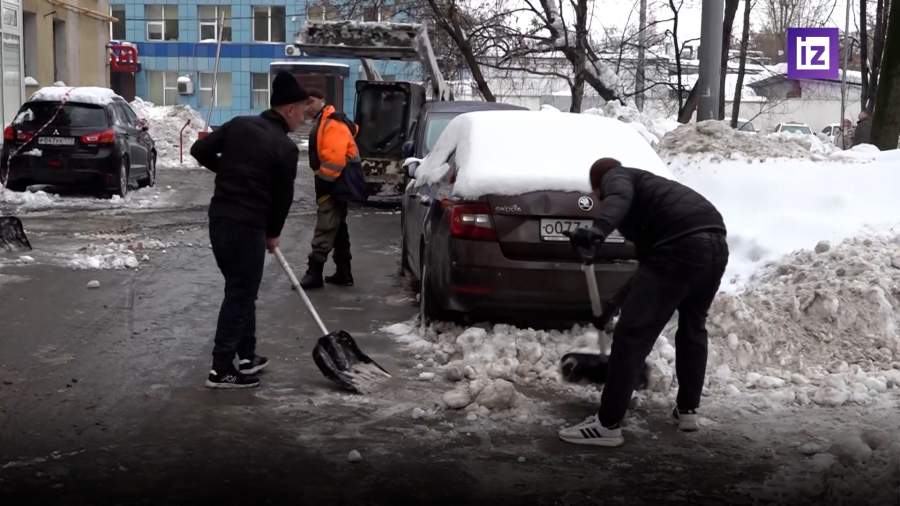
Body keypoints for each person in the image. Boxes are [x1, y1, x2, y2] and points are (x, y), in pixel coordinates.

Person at [557, 158, 729, 447]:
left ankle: (607, 425)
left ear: (598, 186)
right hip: (714, 245)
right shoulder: (652, 201)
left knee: (631, 337)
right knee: (693, 326)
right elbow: (649, 271)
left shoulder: (617, 176)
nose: (602, 200)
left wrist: (597, 232)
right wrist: (612, 307)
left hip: (681, 246)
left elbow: (619, 198)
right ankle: (688, 411)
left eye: (599, 195)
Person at [191, 72, 307, 389]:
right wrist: (274, 232)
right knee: (241, 293)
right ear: (289, 109)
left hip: (220, 221)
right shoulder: (285, 148)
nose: (303, 117)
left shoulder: (239, 124)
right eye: (301, 110)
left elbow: (199, 150)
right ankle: (221, 369)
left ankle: (246, 355)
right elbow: (282, 198)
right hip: (248, 226)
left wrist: (228, 171)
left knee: (241, 288)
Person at [299, 90, 361, 289]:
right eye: (305, 103)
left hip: (334, 184)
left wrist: (324, 184)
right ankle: (344, 272)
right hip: (337, 183)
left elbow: (334, 159)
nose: (307, 106)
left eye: (311, 101)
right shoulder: (326, 121)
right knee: (338, 227)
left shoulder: (332, 123)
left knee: (326, 224)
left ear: (322, 101)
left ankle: (314, 273)